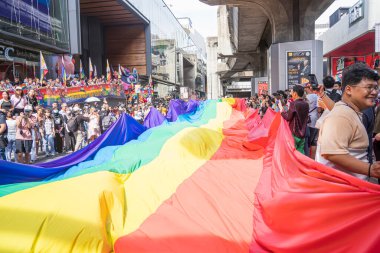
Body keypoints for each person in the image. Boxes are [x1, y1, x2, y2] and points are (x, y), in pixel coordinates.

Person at [316, 63, 380, 182]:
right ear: (349, 90)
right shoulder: (341, 115)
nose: (374, 92)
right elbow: (332, 153)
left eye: (376, 87)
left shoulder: (348, 112)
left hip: (351, 191)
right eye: (369, 87)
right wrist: (370, 169)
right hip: (343, 193)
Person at [279, 85, 310, 154]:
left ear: (295, 93)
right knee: (301, 152)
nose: (291, 94)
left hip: (294, 132)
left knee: (293, 152)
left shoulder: (294, 104)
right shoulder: (306, 104)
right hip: (303, 131)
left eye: (292, 92)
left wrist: (281, 111)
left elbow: (288, 117)